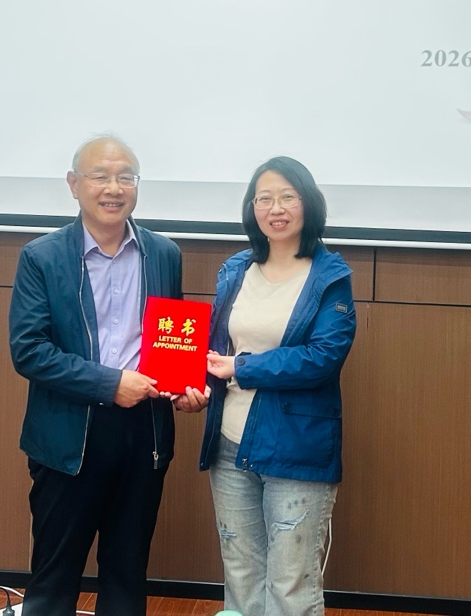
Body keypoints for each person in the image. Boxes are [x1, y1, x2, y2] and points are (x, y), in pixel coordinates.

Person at [9, 135, 182, 616]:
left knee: (127, 573)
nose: (114, 188)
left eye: (126, 177)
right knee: (53, 578)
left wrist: (184, 386)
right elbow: (29, 351)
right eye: (100, 176)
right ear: (73, 184)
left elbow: (171, 343)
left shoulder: (163, 253)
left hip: (144, 432)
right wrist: (109, 384)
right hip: (69, 435)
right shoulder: (42, 257)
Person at [174, 156, 356, 616]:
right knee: (240, 575)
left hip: (296, 448)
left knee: (291, 583)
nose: (276, 208)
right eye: (264, 198)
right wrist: (194, 388)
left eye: (287, 197)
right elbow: (217, 348)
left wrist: (241, 368)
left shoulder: (330, 278)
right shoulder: (236, 270)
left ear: (308, 204)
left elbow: (321, 358)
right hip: (230, 445)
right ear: (251, 208)